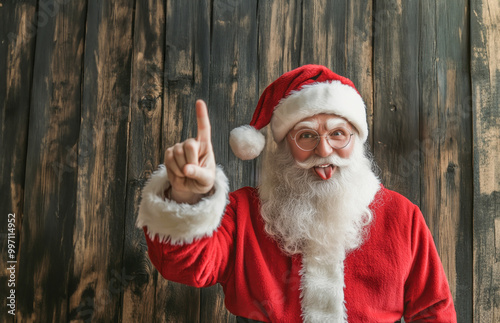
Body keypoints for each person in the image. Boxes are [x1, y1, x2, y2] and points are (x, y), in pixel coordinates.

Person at [136, 65, 457, 322]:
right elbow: (185, 267)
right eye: (306, 135)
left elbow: (434, 311)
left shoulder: (402, 216)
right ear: (281, 147)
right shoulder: (243, 212)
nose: (324, 149)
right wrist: (186, 198)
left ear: (356, 141)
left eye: (338, 134)